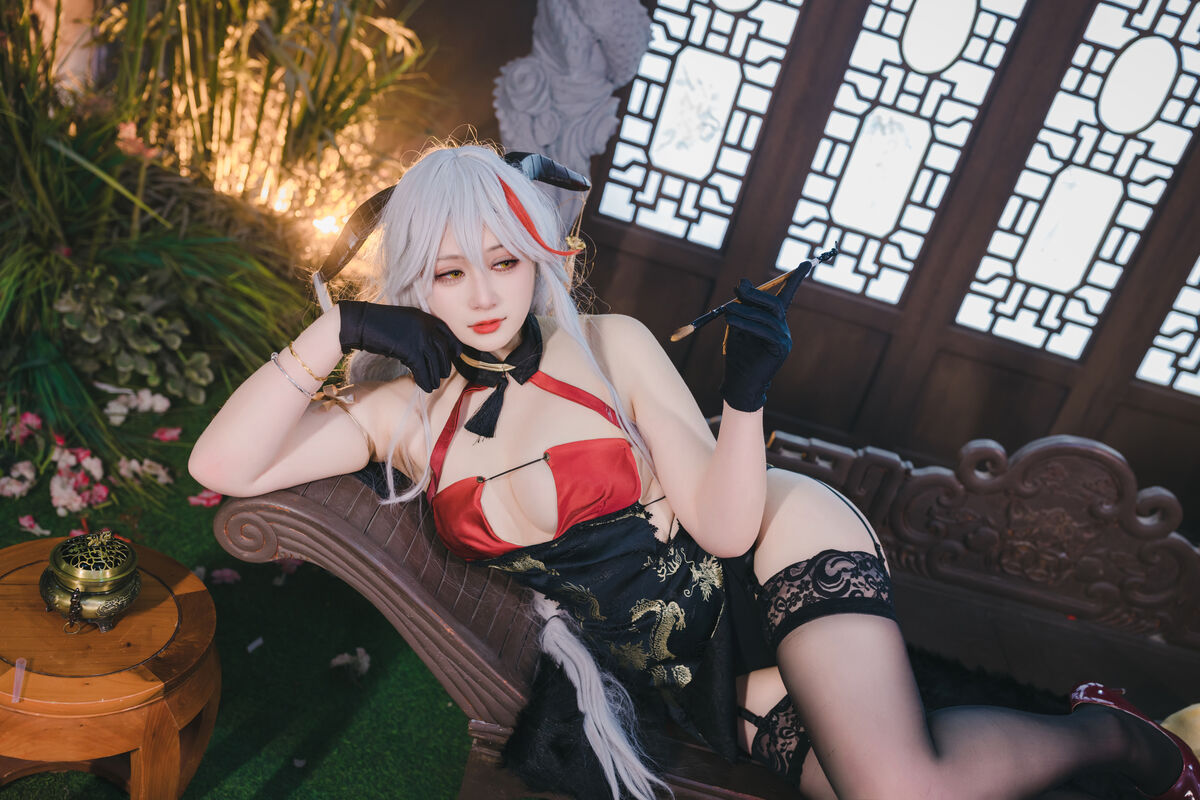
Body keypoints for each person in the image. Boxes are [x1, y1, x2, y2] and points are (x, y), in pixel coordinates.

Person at [190, 143, 1196, 800]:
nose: (487, 295)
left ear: (540, 256)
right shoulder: (402, 415)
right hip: (679, 660)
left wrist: (745, 395)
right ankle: (1091, 728)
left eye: (505, 261)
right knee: (869, 783)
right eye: (451, 273)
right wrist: (334, 331)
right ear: (414, 280)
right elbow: (220, 463)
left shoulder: (607, 344)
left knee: (894, 787)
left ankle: (1123, 740)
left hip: (768, 541)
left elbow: (722, 526)